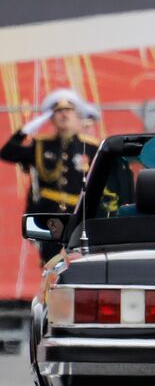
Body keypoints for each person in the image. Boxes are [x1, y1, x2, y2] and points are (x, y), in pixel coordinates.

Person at [2, 89, 101, 263]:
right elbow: (7, 153)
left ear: (78, 116)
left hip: (79, 214)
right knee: (50, 262)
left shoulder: (91, 147)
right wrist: (25, 130)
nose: (63, 115)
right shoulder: (41, 145)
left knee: (81, 261)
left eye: (68, 111)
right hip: (45, 212)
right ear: (51, 118)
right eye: (58, 111)